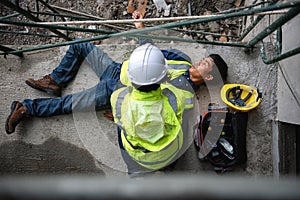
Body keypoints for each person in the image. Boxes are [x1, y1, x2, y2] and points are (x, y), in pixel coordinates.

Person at [5, 11, 228, 155]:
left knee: (69, 104)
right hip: (117, 70)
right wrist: (140, 28)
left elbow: (153, 119)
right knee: (80, 44)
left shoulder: (185, 97)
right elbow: (148, 51)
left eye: (205, 64)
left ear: (209, 77)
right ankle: (55, 80)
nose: (199, 61)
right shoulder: (181, 59)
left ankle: (26, 108)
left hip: (117, 91)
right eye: (203, 58)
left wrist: (122, 113)